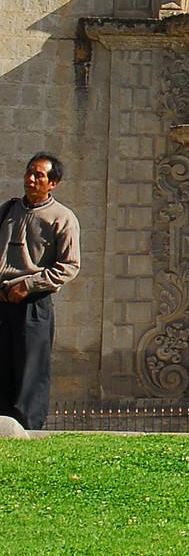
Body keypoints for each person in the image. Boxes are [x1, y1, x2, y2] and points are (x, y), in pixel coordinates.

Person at [0, 154, 82, 431]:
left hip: (32, 303)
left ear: (53, 183)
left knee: (30, 369)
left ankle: (28, 428)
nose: (31, 179)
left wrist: (29, 285)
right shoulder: (8, 211)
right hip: (2, 299)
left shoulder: (62, 218)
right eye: (29, 173)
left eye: (39, 175)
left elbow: (70, 265)